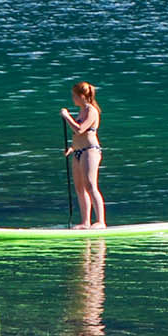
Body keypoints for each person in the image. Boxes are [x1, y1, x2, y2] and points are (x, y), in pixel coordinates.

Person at [61, 80, 104, 229]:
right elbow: (78, 136)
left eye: (74, 95)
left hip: (90, 151)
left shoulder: (92, 111)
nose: (73, 98)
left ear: (82, 96)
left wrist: (67, 117)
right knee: (79, 187)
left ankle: (100, 221)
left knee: (91, 185)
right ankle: (86, 222)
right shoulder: (81, 110)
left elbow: (80, 129)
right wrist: (72, 148)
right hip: (78, 151)